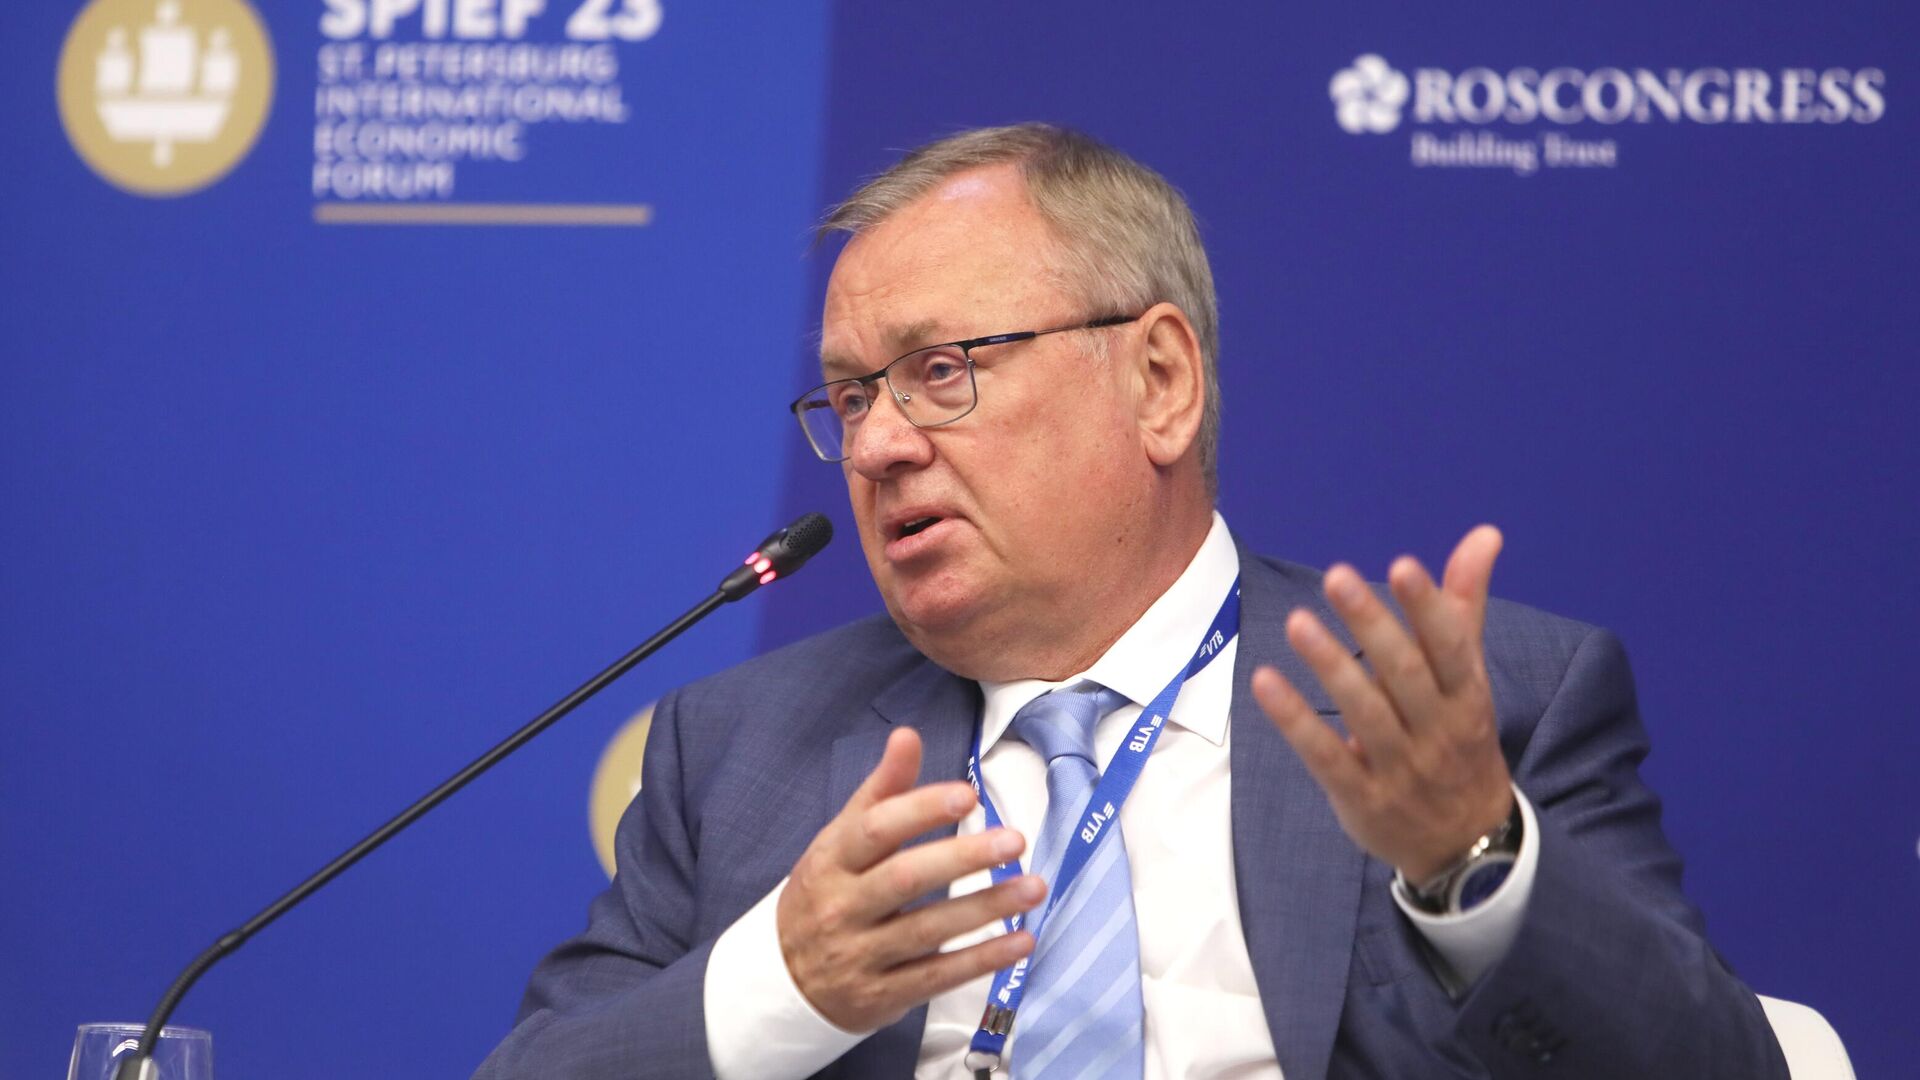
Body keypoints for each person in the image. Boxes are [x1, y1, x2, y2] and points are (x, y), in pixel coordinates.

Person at [474, 124, 1786, 1079]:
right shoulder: (740, 751)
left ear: (1160, 381)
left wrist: (1472, 862)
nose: (876, 446)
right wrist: (787, 983)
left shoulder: (1477, 707)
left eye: (940, 371)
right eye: (853, 396)